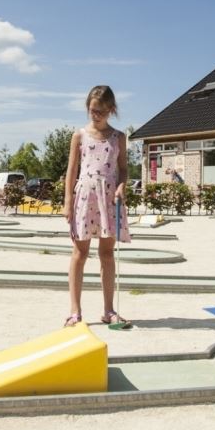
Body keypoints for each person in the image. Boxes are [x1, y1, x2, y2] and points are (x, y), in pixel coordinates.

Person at [62, 85, 131, 327]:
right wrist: (67, 201)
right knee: (79, 254)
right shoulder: (79, 136)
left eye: (101, 111)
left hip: (109, 199)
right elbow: (72, 170)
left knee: (107, 254)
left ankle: (109, 310)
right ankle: (75, 312)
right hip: (85, 197)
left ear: (111, 109)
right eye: (92, 110)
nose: (96, 115)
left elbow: (123, 169)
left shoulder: (119, 137)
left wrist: (122, 186)